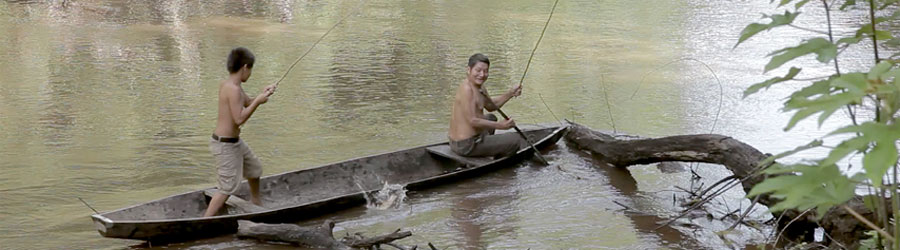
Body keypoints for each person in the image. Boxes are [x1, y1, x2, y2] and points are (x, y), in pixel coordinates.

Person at [204, 47, 276, 217]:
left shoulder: (231, 84)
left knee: (255, 170)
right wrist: (257, 102)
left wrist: (262, 95)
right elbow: (239, 119)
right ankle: (205, 220)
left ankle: (256, 203)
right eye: (250, 69)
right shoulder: (233, 89)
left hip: (235, 142)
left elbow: (246, 102)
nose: (250, 74)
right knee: (226, 187)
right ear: (245, 67)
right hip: (224, 145)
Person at [448, 53, 526, 158]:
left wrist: (511, 93)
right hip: (465, 145)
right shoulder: (467, 89)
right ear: (469, 70)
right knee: (516, 140)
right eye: (478, 70)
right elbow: (472, 120)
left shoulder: (479, 87)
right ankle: (498, 163)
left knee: (491, 118)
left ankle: (489, 149)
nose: (482, 74)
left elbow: (491, 106)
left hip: (468, 140)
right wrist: (501, 126)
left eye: (485, 71)